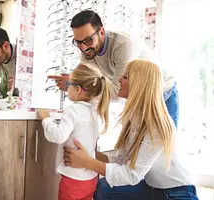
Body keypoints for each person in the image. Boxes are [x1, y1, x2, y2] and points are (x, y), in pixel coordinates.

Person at [63, 60, 199, 200]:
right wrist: (91, 155)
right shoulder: (135, 116)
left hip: (177, 194)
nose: (120, 79)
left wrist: (88, 162)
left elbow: (132, 175)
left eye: (126, 77)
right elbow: (123, 158)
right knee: (103, 188)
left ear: (138, 84)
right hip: (150, 188)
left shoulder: (156, 125)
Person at [48, 10, 179, 128]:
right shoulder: (87, 49)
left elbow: (117, 91)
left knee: (165, 145)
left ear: (102, 32)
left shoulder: (124, 44)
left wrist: (76, 86)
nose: (83, 48)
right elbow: (87, 81)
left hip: (163, 91)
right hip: (135, 96)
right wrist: (75, 82)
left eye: (88, 40)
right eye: (78, 42)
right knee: (137, 145)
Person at [37, 63, 112, 200]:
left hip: (73, 180)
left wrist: (46, 119)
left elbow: (59, 136)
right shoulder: (95, 111)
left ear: (78, 89)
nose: (66, 89)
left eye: (68, 85)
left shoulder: (74, 110)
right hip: (91, 178)